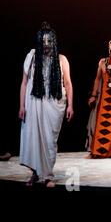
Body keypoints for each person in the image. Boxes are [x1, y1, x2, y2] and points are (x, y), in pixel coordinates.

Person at [18, 22, 74, 187]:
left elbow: (68, 84)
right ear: (39, 42)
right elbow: (24, 83)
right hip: (34, 101)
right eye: (43, 42)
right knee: (33, 138)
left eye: (50, 42)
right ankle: (35, 173)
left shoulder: (61, 59)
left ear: (54, 42)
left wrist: (70, 105)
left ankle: (48, 175)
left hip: (54, 103)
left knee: (50, 140)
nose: (47, 45)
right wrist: (21, 106)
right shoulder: (32, 57)